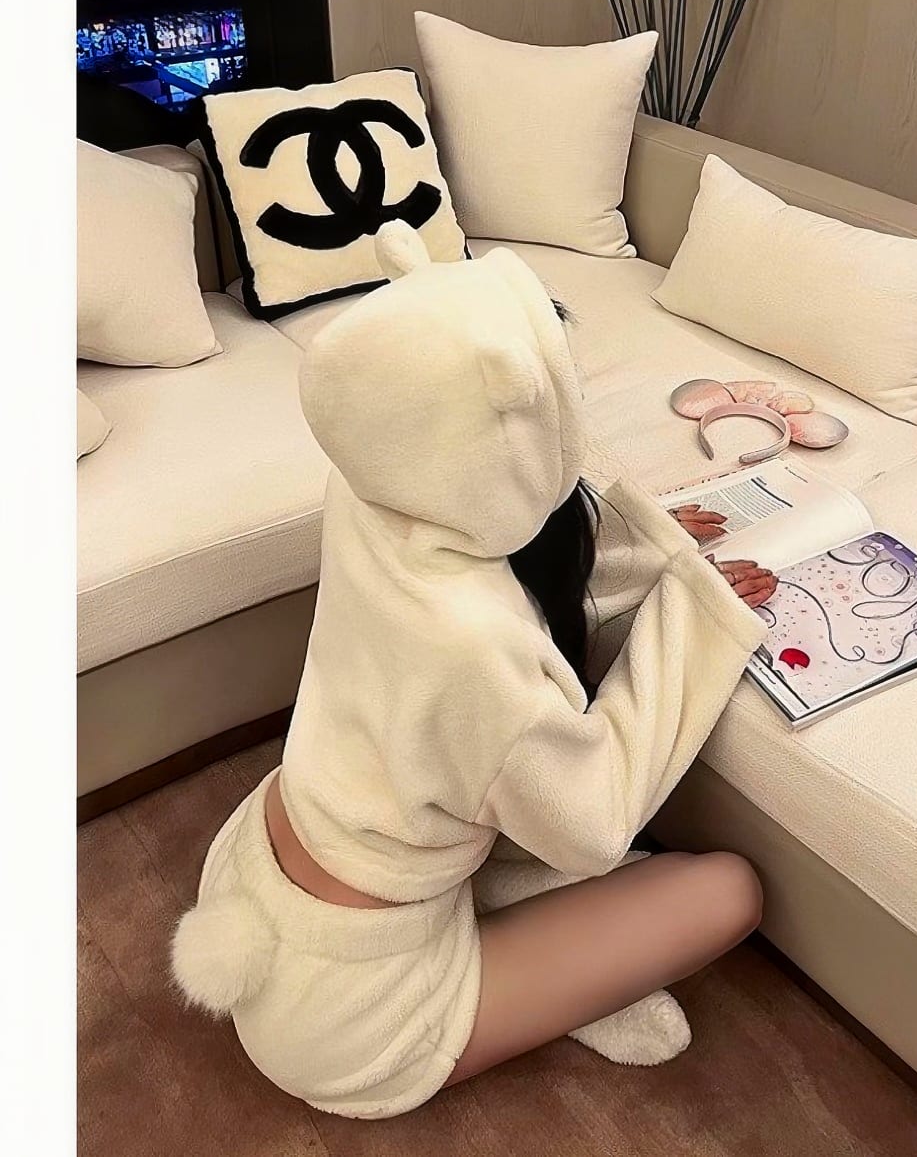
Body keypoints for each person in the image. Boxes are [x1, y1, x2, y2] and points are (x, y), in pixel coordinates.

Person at [171, 222, 777, 1119]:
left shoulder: (373, 484)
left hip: (261, 866)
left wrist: (653, 546)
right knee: (728, 892)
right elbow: (592, 819)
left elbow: (502, 559)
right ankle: (535, 993)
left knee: (545, 856)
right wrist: (693, 613)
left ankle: (539, 971)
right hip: (355, 1009)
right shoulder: (476, 649)